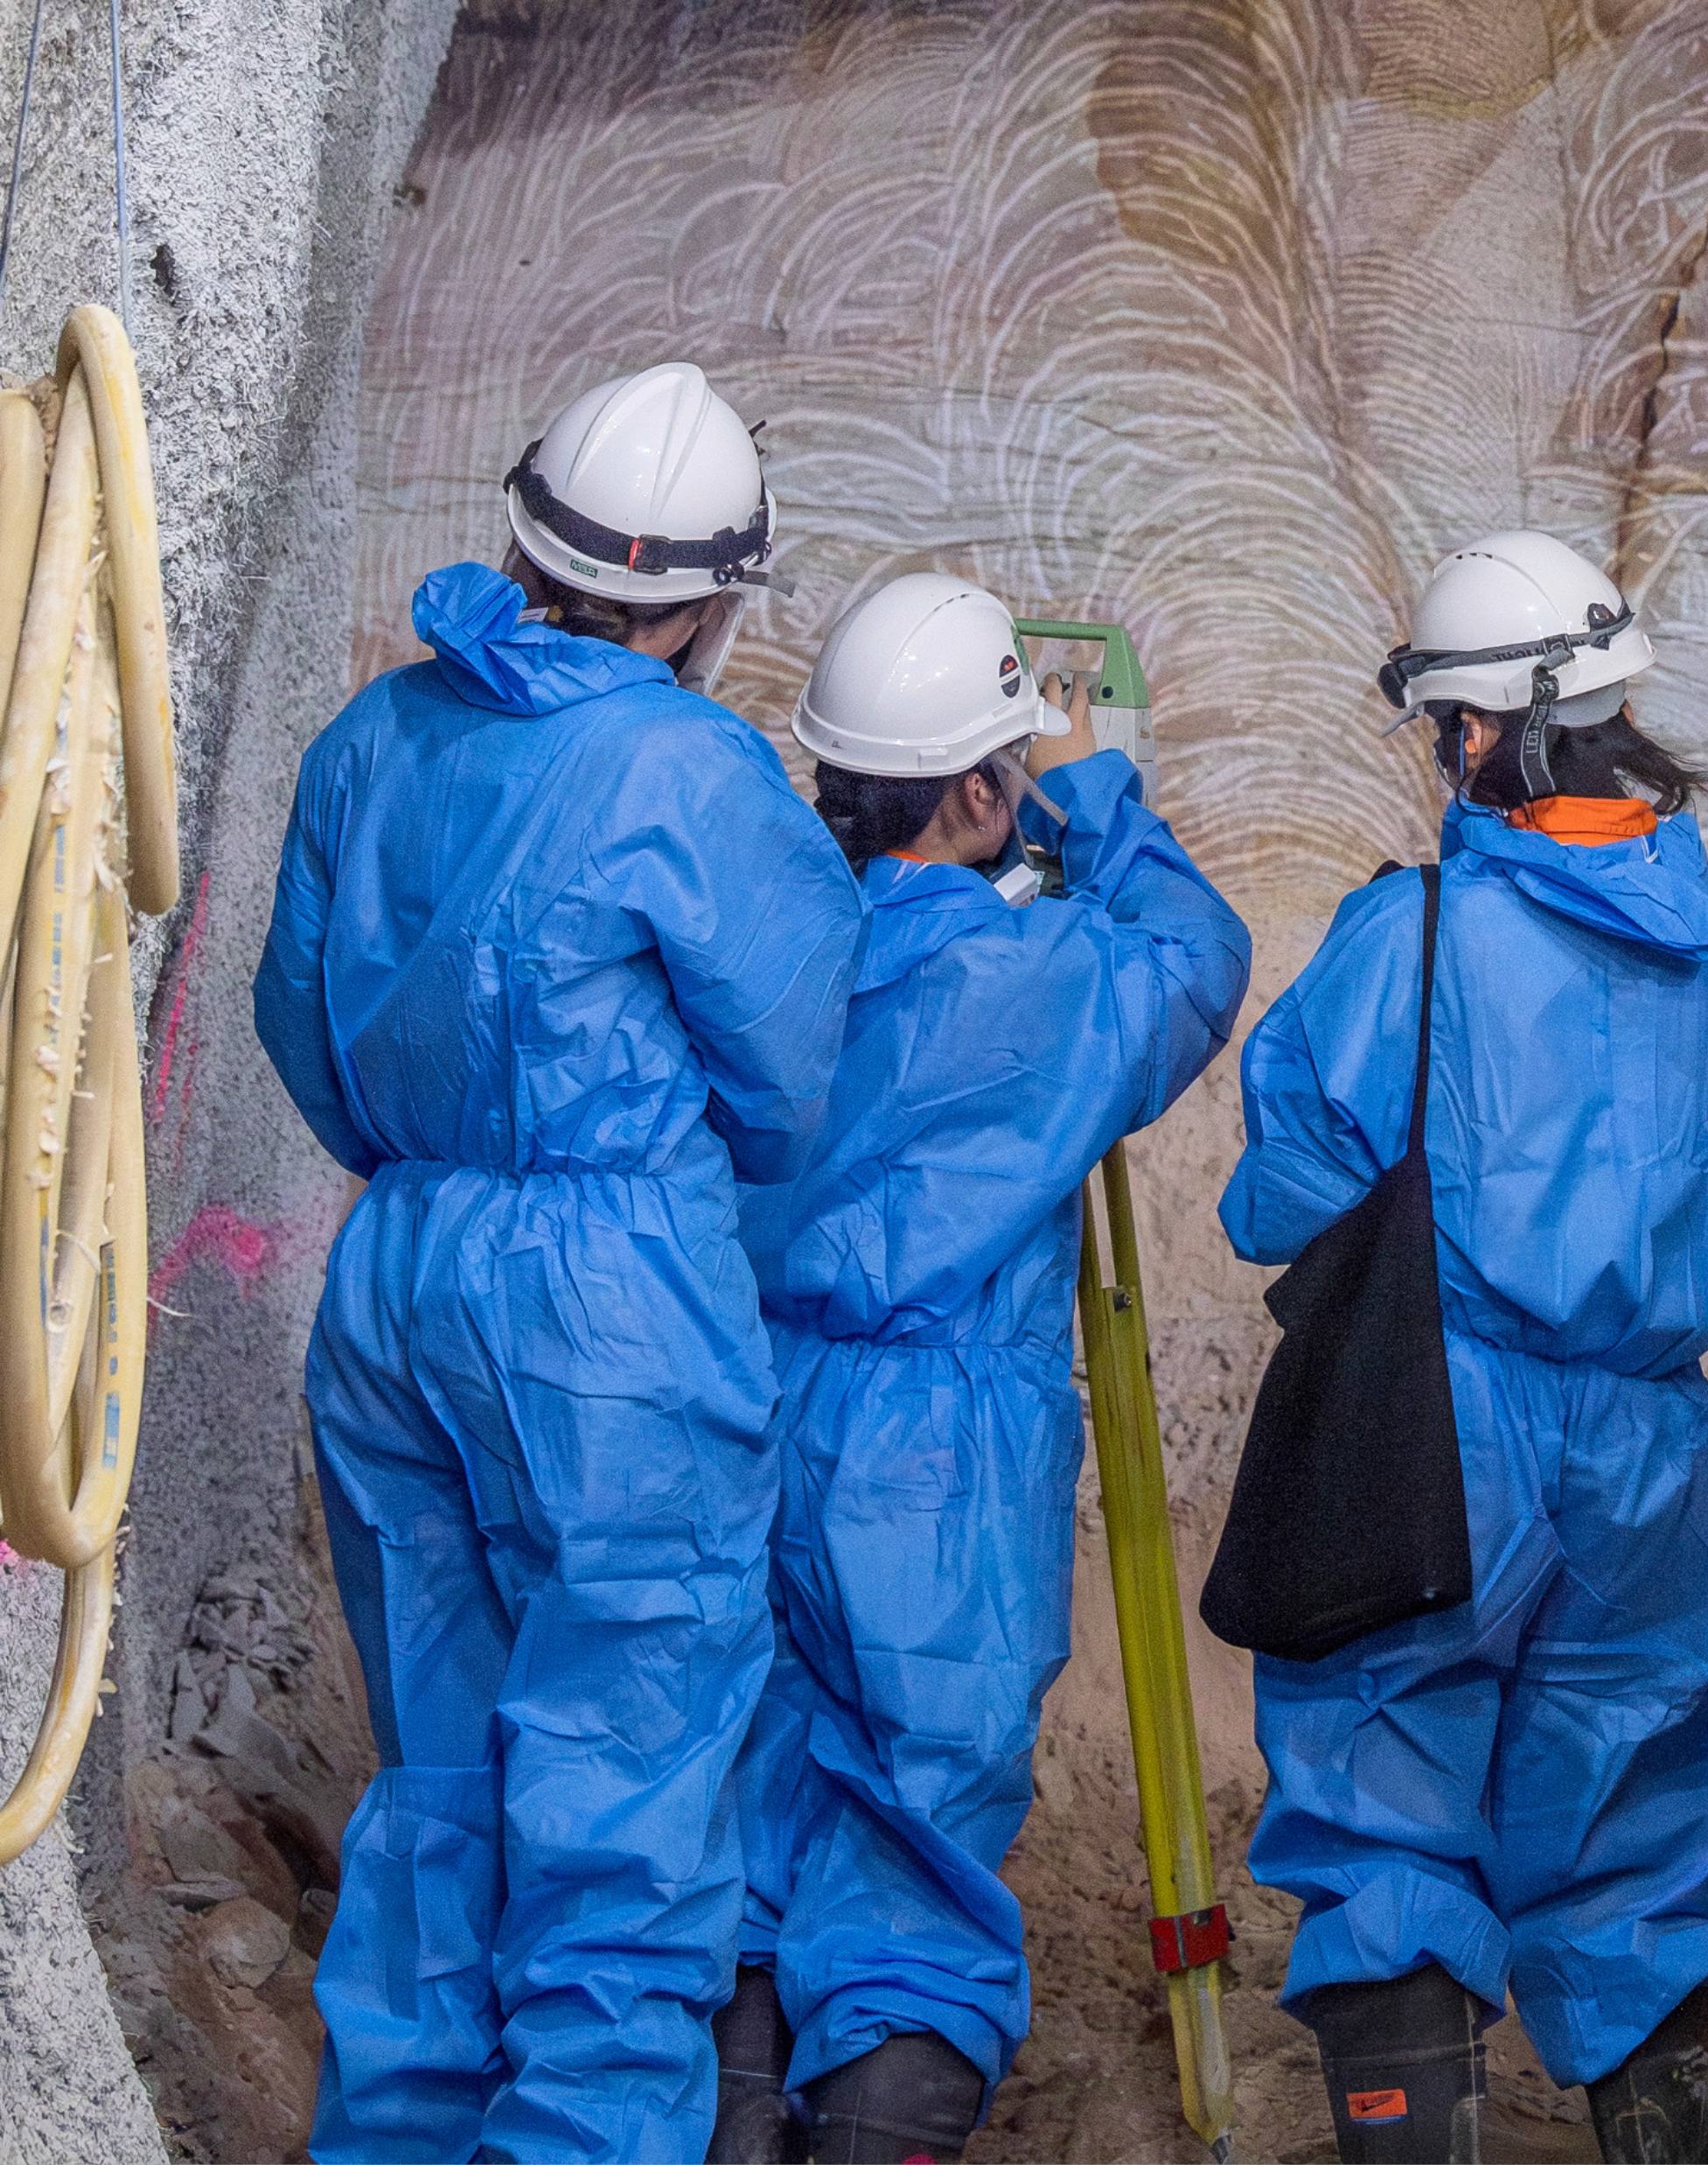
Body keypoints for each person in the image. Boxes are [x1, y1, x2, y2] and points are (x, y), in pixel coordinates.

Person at [254, 360, 865, 2162]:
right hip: (605, 1296)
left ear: (523, 536)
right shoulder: (687, 763)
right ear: (706, 602)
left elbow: (300, 1021)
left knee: (441, 1777)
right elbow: (788, 1071)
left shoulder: (371, 736)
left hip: (396, 1270)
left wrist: (442, 1172)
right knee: (624, 1787)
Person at [1221, 532, 1708, 2164]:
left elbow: (1278, 1198)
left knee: (1386, 1807)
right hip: (1659, 1458)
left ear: (1480, 734)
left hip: (1448, 1432)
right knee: (1634, 1835)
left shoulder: (1415, 938)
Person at [718, 574, 1251, 2164]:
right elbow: (1196, 959)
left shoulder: (759, 956)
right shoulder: (1044, 977)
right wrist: (1087, 786)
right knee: (917, 1845)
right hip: (932, 1462)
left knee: (748, 1817)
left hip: (746, 1411)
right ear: (978, 788)